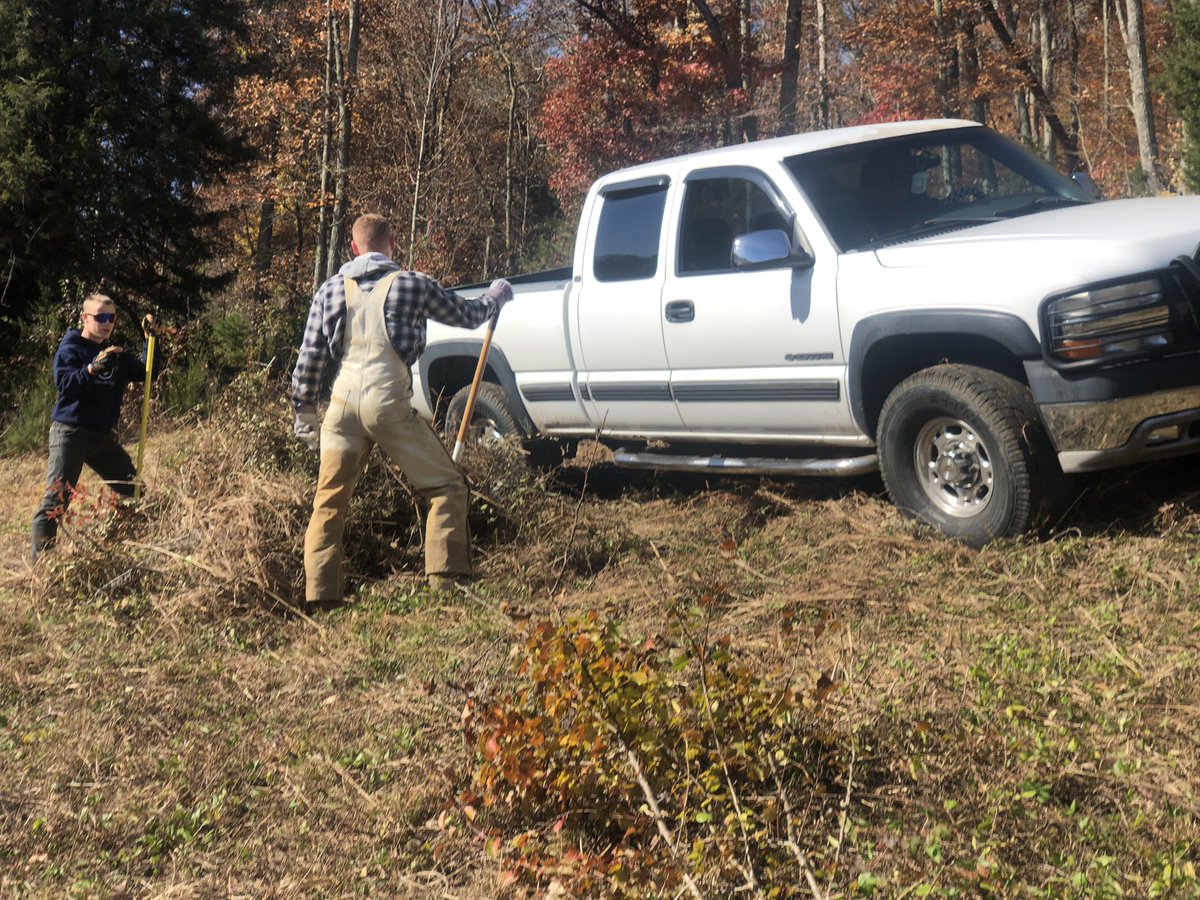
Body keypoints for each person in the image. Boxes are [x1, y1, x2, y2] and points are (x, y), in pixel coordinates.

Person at [292, 213, 512, 610]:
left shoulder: (329, 291)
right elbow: (467, 316)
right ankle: (447, 584)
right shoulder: (412, 284)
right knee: (447, 487)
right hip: (387, 403)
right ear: (391, 244)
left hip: (340, 410)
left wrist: (305, 410)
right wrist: (495, 296)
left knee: (327, 504)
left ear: (354, 248)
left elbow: (310, 356)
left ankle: (321, 598)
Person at [31, 293, 156, 560]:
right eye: (101, 317)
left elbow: (148, 372)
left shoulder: (116, 355)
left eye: (111, 317)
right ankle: (40, 567)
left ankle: (128, 541)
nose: (107, 323)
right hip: (71, 433)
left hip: (101, 437)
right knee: (56, 502)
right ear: (85, 318)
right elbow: (65, 386)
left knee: (133, 488)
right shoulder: (71, 348)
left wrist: (151, 341)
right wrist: (91, 370)